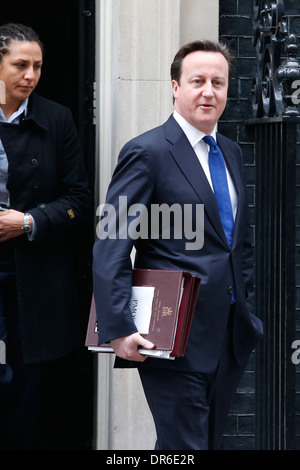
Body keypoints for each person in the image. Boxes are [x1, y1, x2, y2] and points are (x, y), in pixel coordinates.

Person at [92, 39, 263, 450]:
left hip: (229, 333)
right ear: (174, 86)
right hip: (172, 334)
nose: (209, 91)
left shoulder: (232, 153)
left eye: (218, 82)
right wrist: (117, 327)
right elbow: (111, 242)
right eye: (198, 81)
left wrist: (249, 307)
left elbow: (238, 242)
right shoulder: (146, 152)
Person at [0, 23, 92, 449]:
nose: (31, 75)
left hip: (32, 275)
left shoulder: (57, 119)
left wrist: (29, 222)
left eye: (37, 66)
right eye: (21, 64)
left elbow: (79, 196)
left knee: (27, 384)